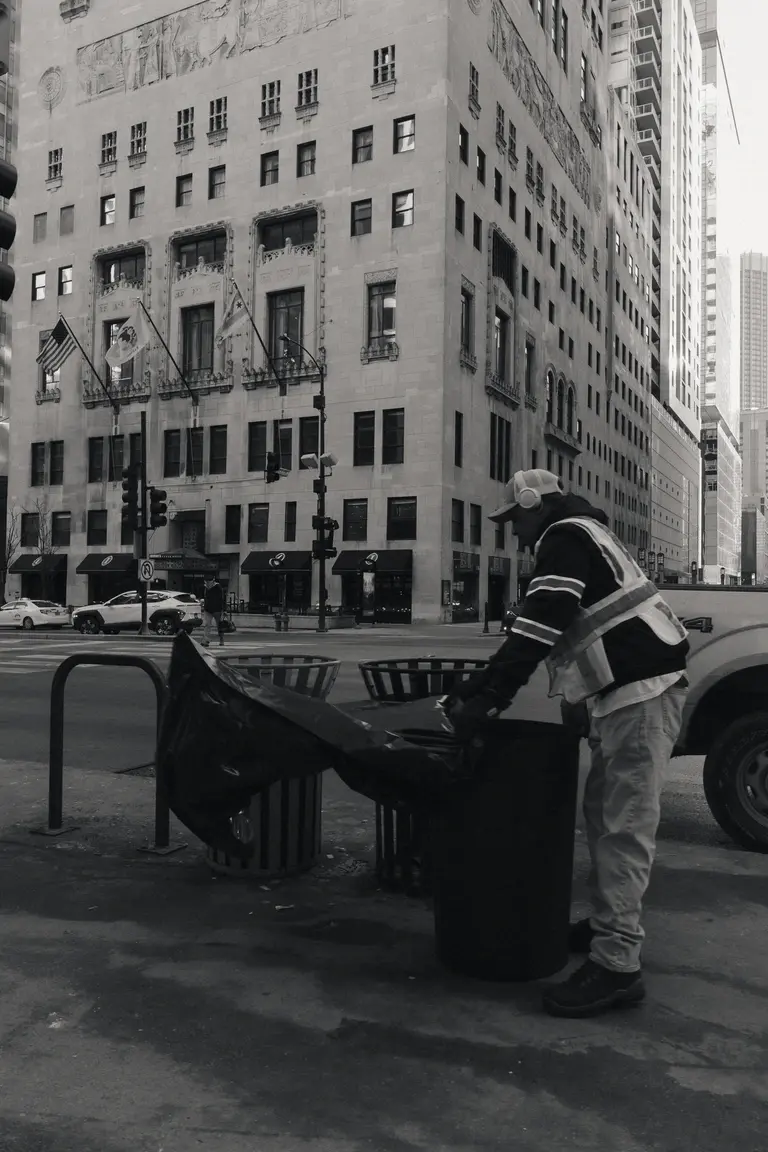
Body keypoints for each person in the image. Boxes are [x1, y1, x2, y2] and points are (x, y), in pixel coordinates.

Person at [442, 469, 689, 1019]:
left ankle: (618, 965)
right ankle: (609, 930)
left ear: (535, 505)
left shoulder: (564, 537)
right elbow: (586, 623)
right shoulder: (584, 535)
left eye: (515, 521)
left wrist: (488, 696)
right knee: (605, 819)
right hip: (628, 695)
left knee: (622, 831)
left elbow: (541, 623)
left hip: (640, 698)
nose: (514, 534)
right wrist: (575, 698)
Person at [201, 576, 225, 648]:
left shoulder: (218, 587)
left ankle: (221, 639)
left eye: (208, 582)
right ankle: (206, 641)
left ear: (212, 581)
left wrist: (223, 610)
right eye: (206, 582)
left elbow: (222, 599)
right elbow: (205, 597)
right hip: (208, 609)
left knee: (219, 626)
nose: (207, 583)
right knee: (207, 625)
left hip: (217, 610)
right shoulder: (205, 588)